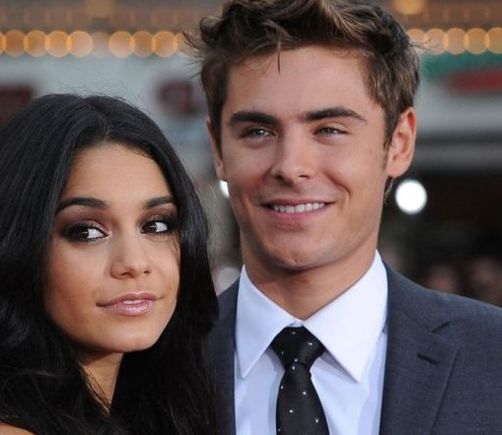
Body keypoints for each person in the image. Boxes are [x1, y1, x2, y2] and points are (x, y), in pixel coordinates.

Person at [185, 0, 502, 433]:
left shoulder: (492, 360)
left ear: (399, 143)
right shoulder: (145, 369)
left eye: (329, 130)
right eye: (258, 132)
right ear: (218, 149)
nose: (291, 166)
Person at [0, 94, 218, 434]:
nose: (134, 262)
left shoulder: (161, 408)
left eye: (156, 225)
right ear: (20, 244)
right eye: (86, 232)